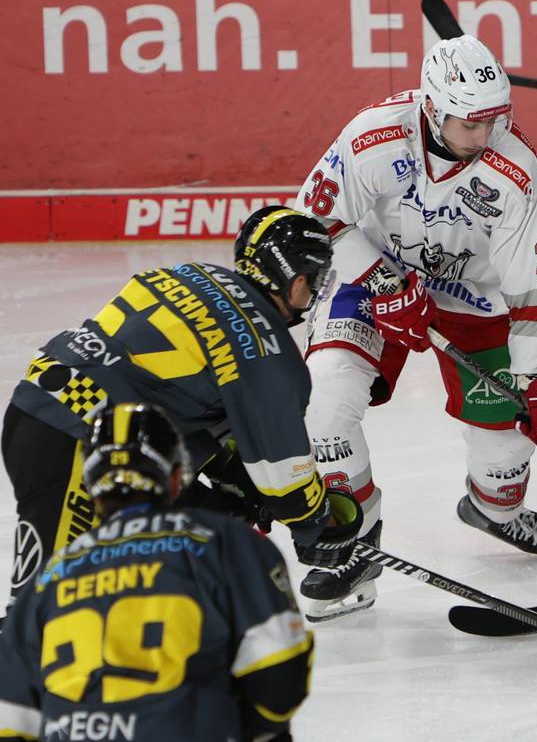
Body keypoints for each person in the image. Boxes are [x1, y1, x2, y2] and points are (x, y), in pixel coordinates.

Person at [293, 33, 537, 622]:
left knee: (505, 453)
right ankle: (355, 543)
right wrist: (381, 282)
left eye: (494, 119)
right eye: (469, 124)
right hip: (374, 282)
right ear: (431, 108)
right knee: (324, 399)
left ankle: (493, 510)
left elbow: (531, 285)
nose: (483, 136)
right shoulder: (374, 135)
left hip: (475, 299)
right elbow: (313, 218)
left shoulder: (516, 171)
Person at [2, 205, 365, 617]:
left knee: (205, 527)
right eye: (315, 279)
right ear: (296, 278)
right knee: (47, 614)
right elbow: (285, 479)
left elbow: (165, 391)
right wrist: (316, 522)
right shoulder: (268, 350)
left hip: (45, 410)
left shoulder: (190, 274)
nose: (314, 291)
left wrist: (232, 477)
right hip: (80, 442)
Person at [0, 402, 312, 741]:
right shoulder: (224, 542)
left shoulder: (47, 579)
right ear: (176, 478)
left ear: (90, 488)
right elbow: (279, 670)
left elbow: (11, 721)